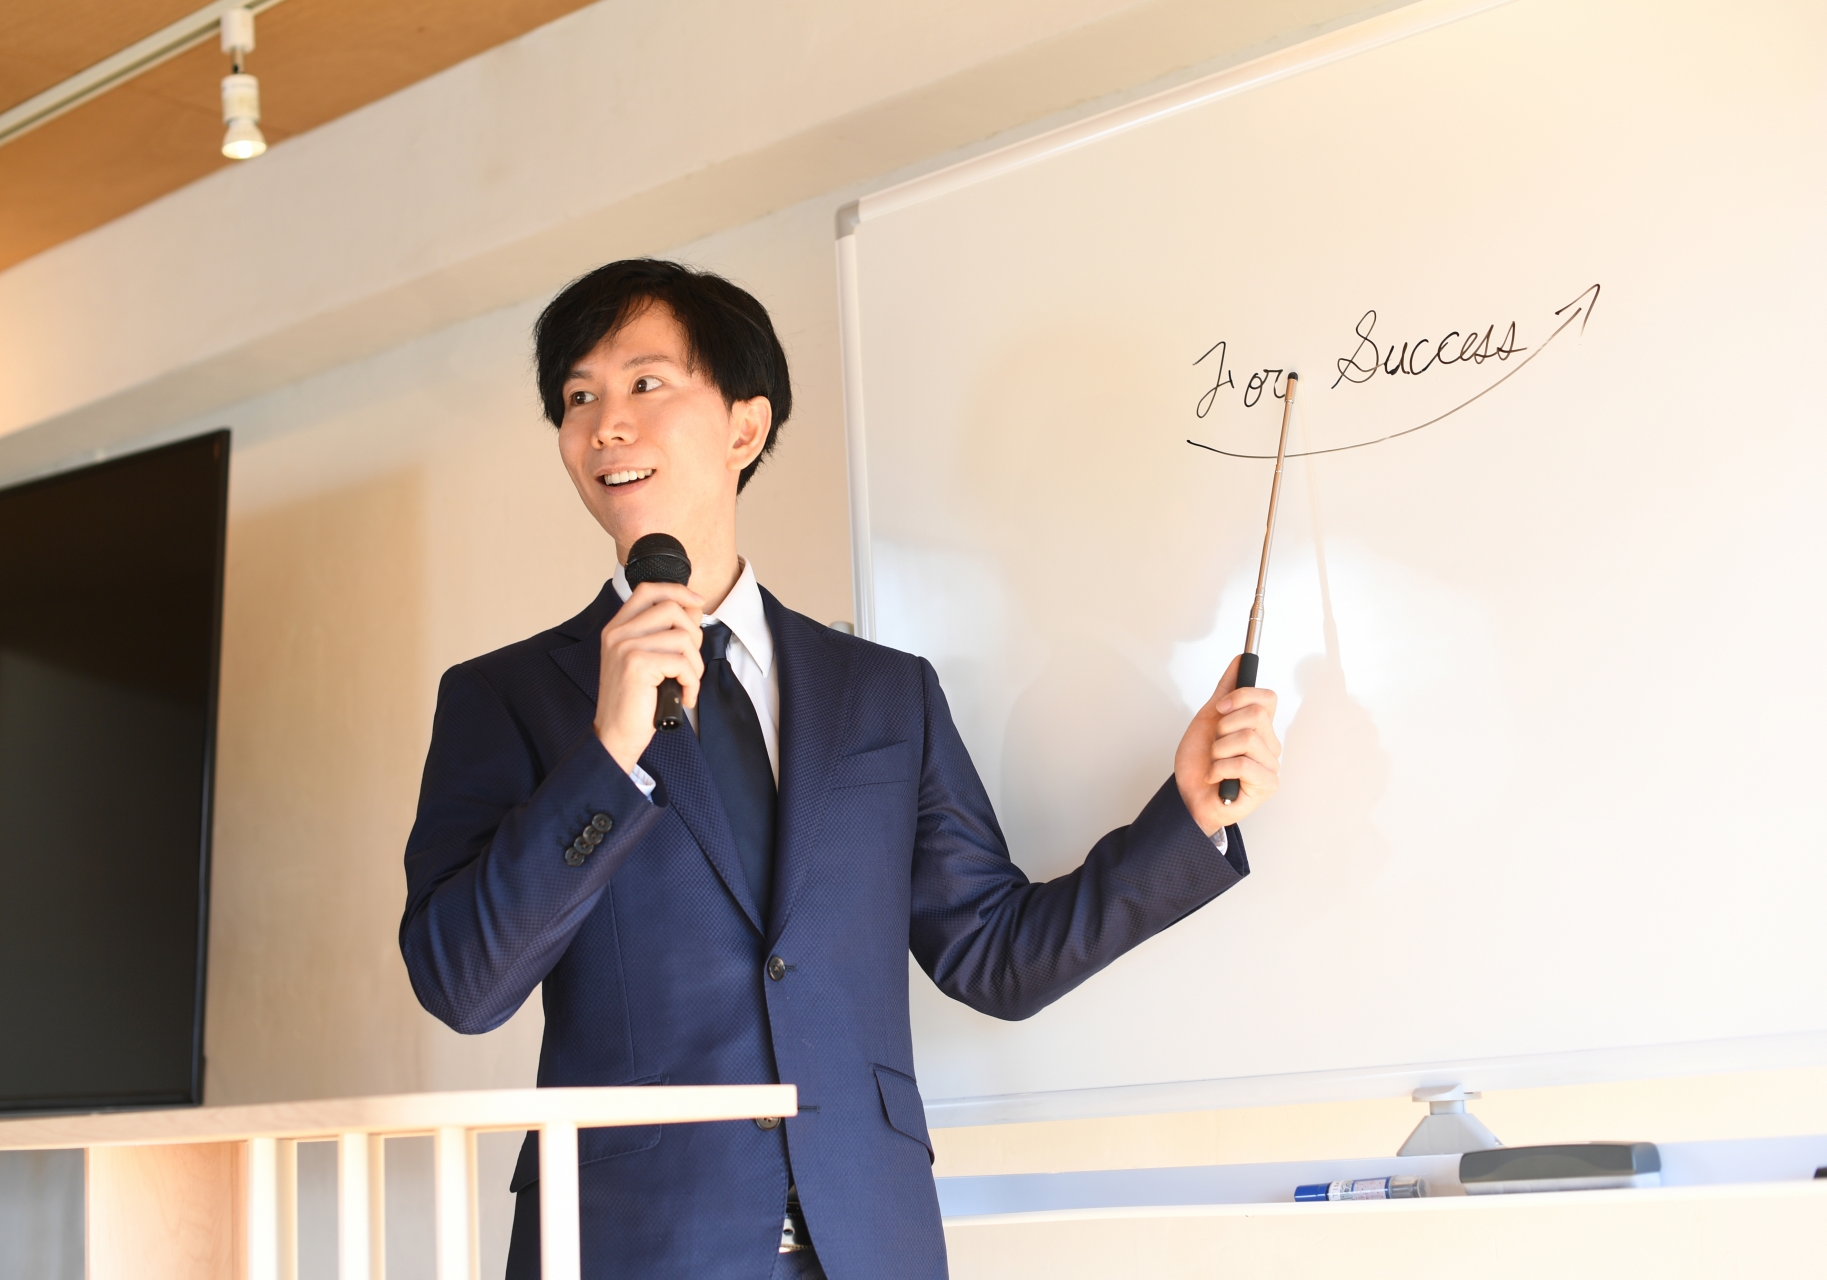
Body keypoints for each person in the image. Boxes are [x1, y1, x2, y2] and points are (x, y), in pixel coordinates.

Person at [399, 259, 1282, 1280]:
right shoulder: (506, 695)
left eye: (644, 383)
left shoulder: (884, 694)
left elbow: (993, 953)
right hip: (632, 1246)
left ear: (745, 426)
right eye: (578, 398)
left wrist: (1188, 815)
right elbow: (463, 985)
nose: (605, 425)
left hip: (866, 1240)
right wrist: (607, 754)